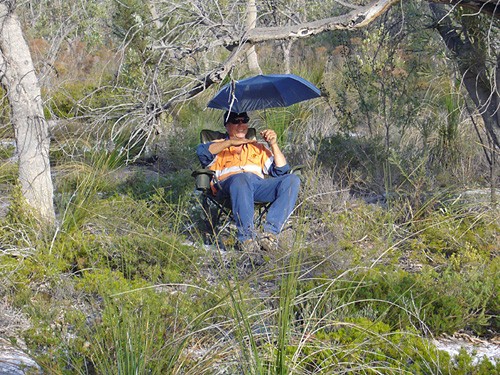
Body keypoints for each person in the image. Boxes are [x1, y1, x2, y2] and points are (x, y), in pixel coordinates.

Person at [196, 111, 300, 252]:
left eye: (244, 120)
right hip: (228, 187)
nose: (241, 124)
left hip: (257, 187)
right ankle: (247, 239)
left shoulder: (257, 147)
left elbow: (281, 170)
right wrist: (231, 142)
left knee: (292, 180)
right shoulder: (219, 146)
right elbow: (202, 153)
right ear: (227, 125)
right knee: (241, 178)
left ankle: (270, 235)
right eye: (235, 121)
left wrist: (274, 144)